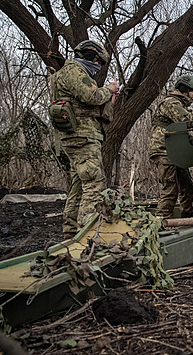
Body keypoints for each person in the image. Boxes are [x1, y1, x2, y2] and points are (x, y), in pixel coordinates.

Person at [49, 40, 120, 239]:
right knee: (94, 183)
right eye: (98, 63)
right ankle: (87, 236)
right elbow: (92, 97)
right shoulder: (74, 73)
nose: (98, 68)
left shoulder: (61, 74)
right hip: (83, 136)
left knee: (78, 185)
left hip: (74, 137)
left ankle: (71, 232)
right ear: (93, 59)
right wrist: (110, 90)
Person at [149, 75, 193, 218]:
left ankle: (187, 217)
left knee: (187, 187)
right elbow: (186, 120)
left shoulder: (177, 104)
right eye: (192, 91)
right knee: (170, 189)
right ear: (185, 90)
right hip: (164, 150)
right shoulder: (170, 103)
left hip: (174, 151)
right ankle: (160, 223)